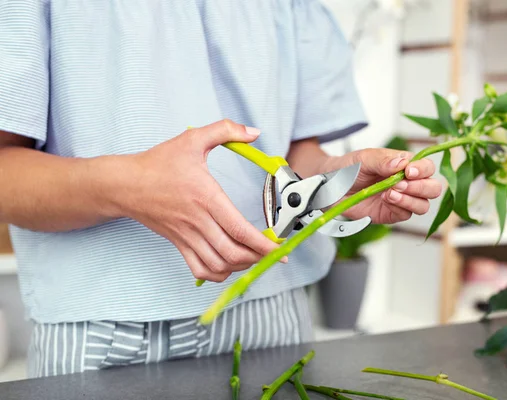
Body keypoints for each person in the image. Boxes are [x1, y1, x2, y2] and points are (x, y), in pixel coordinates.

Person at [0, 0, 442, 378]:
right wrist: (126, 186)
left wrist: (331, 185)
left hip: (270, 311)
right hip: (98, 324)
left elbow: (295, 152)